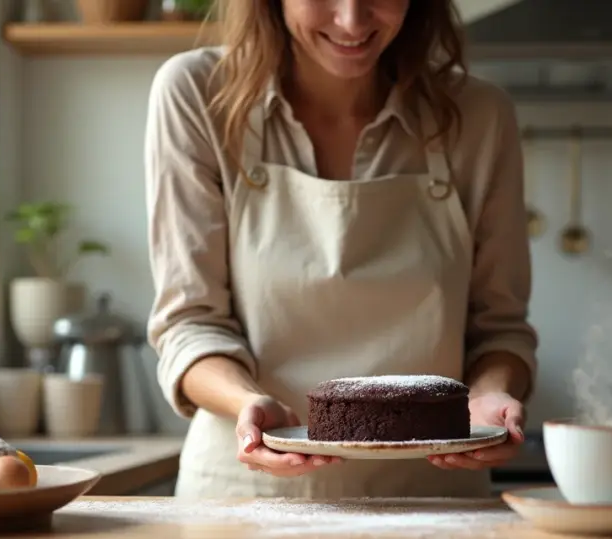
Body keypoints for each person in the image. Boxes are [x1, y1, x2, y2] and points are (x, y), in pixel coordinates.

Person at [144, 0, 538, 499]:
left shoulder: (479, 115)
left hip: (435, 497)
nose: (352, 21)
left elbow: (500, 330)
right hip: (246, 496)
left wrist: (488, 399)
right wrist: (248, 402)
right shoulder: (199, 95)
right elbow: (190, 324)